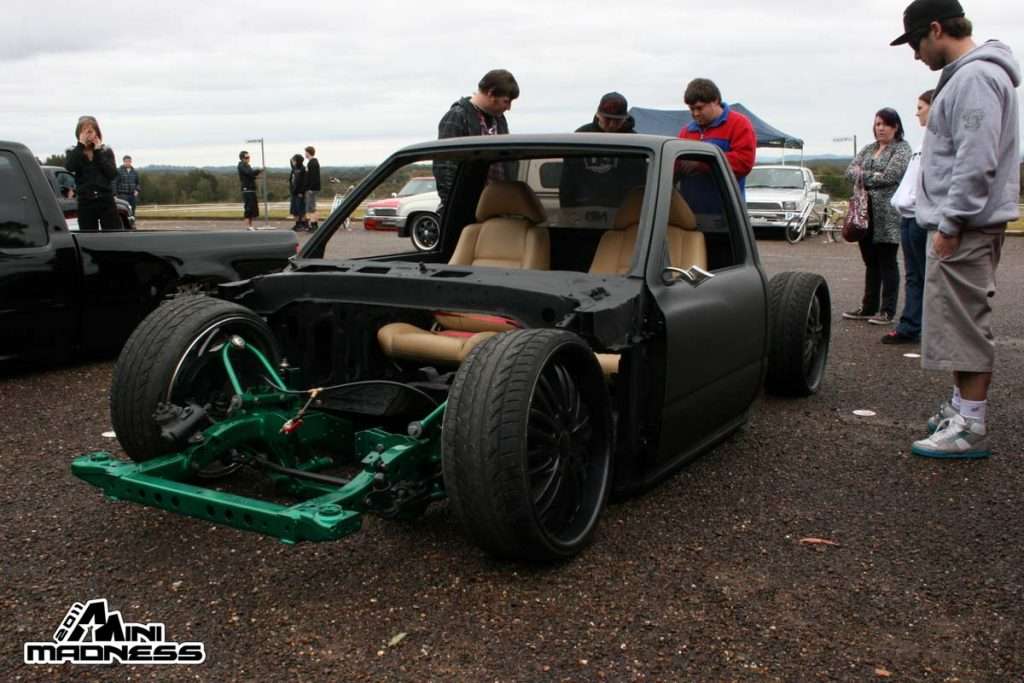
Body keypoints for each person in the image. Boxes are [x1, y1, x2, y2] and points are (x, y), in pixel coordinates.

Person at [890, 0, 1020, 459]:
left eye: (917, 42)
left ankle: (970, 423)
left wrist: (951, 222)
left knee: (964, 322)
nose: (916, 54)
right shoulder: (969, 77)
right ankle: (962, 407)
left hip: (965, 226)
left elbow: (975, 159)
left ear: (938, 29)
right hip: (962, 223)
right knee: (952, 321)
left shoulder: (976, 78)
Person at [840, 109, 913, 326]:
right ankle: (868, 306)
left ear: (895, 126)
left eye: (885, 124)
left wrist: (863, 175)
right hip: (864, 214)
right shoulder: (869, 148)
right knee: (870, 262)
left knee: (887, 262)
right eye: (877, 124)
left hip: (887, 216)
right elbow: (848, 171)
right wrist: (873, 176)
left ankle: (887, 310)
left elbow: (892, 176)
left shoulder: (902, 149)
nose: (880, 128)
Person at [883, 89, 935, 345]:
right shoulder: (922, 142)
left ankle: (923, 326)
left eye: (921, 107)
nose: (916, 113)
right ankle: (911, 325)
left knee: (926, 275)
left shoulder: (939, 140)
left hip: (920, 217)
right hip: (907, 215)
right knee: (914, 275)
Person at [433, 69, 519, 205]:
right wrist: (455, 204)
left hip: (496, 204)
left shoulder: (500, 120)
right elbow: (445, 167)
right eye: (506, 101)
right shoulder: (457, 117)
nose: (508, 108)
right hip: (467, 205)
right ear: (491, 93)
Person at [559, 92, 646, 208]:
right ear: (598, 114)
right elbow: (567, 182)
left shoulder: (635, 143)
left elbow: (641, 184)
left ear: (625, 119)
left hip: (623, 214)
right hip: (584, 211)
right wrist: (568, 213)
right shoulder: (581, 138)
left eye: (617, 121)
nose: (611, 125)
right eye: (607, 119)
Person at [677, 78, 757, 194]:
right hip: (689, 209)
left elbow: (743, 162)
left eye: (699, 108)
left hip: (725, 209)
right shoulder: (686, 132)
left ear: (715, 101)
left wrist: (702, 162)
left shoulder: (739, 124)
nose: (695, 113)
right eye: (691, 109)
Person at [65, 116, 119, 230]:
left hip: (106, 200)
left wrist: (98, 152)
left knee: (113, 234)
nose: (88, 135)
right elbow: (70, 167)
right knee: (88, 236)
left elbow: (112, 174)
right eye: (84, 132)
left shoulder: (105, 151)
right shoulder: (73, 151)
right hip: (86, 201)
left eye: (90, 131)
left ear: (96, 132)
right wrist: (81, 145)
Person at [237, 150, 263, 230]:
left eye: (249, 157)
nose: (248, 158)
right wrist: (258, 170)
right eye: (247, 157)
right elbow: (249, 173)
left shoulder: (247, 165)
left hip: (251, 189)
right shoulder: (241, 165)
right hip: (247, 189)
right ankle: (248, 226)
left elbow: (250, 175)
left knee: (252, 208)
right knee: (248, 207)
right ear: (242, 158)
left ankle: (251, 225)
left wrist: (255, 176)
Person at [288, 154, 307, 231]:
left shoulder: (303, 169)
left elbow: (304, 182)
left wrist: (301, 192)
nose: (293, 162)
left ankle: (303, 224)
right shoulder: (294, 169)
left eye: (294, 160)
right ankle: (297, 224)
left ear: (298, 161)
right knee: (295, 210)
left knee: (301, 210)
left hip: (299, 193)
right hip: (294, 192)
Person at [304, 146, 321, 232]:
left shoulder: (313, 163)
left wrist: (310, 188)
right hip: (311, 188)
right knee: (311, 207)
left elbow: (314, 177)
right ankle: (313, 224)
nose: (305, 154)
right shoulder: (311, 162)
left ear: (308, 152)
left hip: (312, 189)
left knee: (312, 207)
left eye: (305, 152)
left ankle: (314, 225)